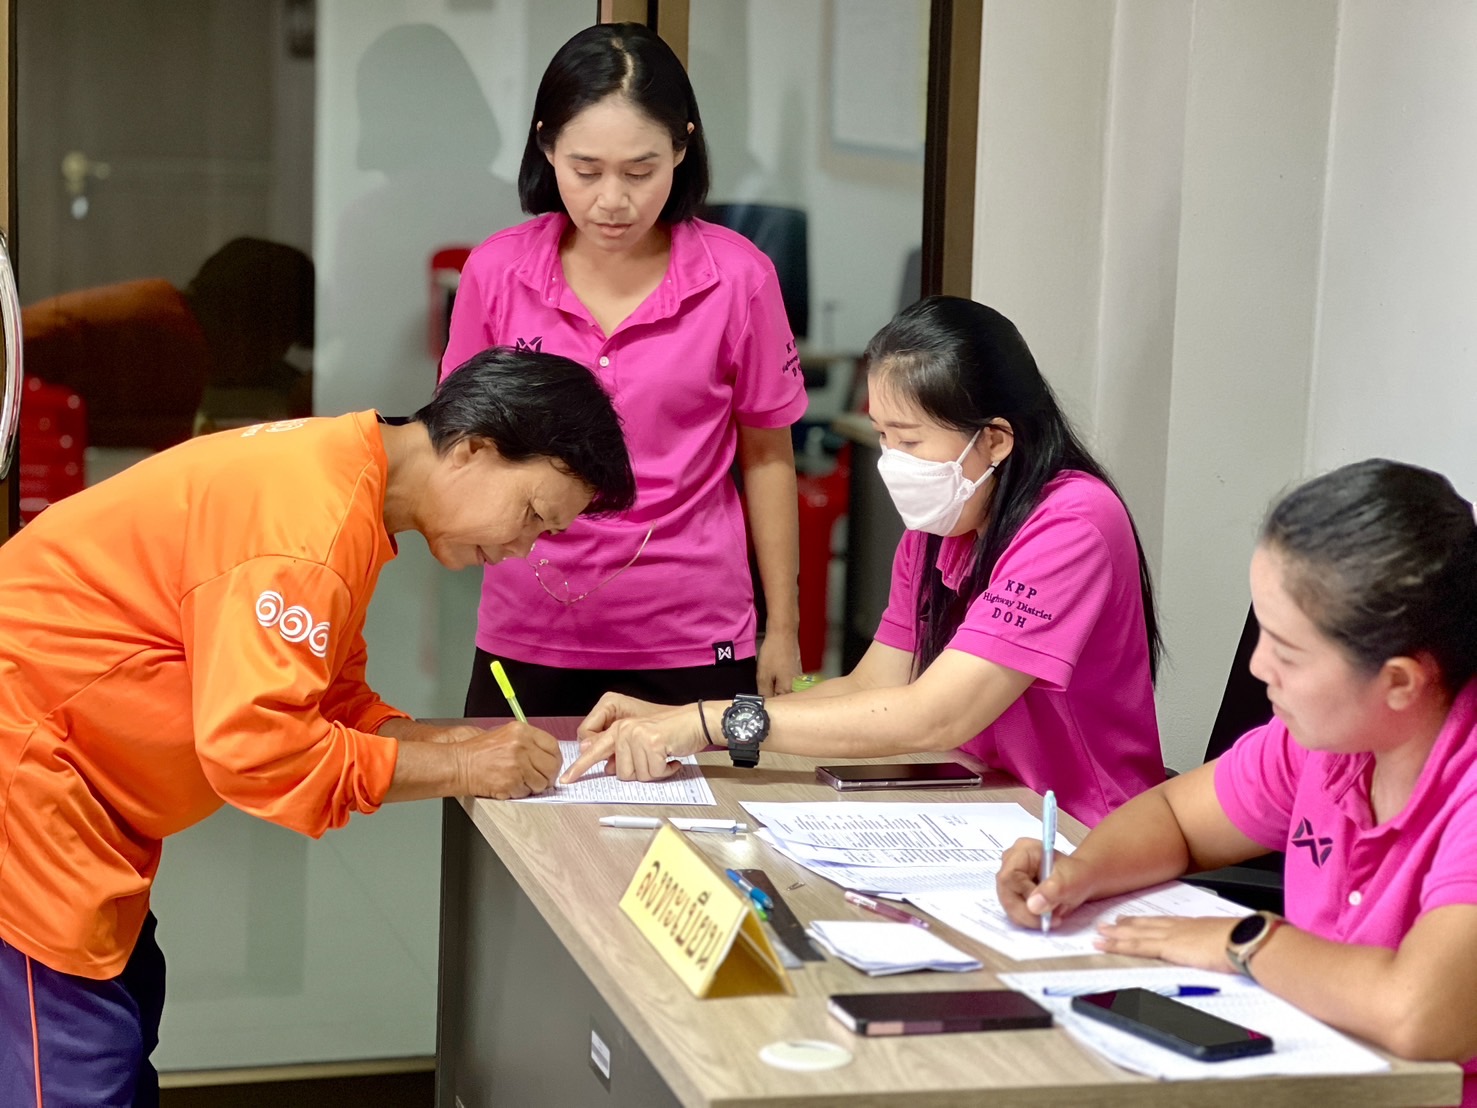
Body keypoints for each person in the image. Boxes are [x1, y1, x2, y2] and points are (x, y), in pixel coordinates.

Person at [0, 347, 635, 1106]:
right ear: (474, 449)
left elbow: (326, 699)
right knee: (76, 1069)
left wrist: (452, 743)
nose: (521, 549)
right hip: (30, 783)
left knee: (125, 1029)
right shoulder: (310, 525)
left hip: (83, 791)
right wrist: (467, 769)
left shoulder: (343, 477)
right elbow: (258, 751)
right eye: (532, 514)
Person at [565, 296, 1165, 827]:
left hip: (1082, 829)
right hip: (987, 807)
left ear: (995, 440)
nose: (891, 461)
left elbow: (935, 717)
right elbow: (872, 685)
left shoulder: (1073, 524)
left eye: (910, 440)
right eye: (882, 436)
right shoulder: (942, 527)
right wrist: (685, 722)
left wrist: (707, 723)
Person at [996, 459, 1477, 1099]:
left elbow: (1422, 1017)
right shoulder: (1328, 744)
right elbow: (1174, 817)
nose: (1258, 666)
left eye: (1287, 651)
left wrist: (1246, 940)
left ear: (1399, 681)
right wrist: (1079, 873)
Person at [441, 22, 808, 718]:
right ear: (547, 146)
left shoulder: (739, 279)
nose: (613, 200)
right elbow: (459, 445)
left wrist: (782, 630)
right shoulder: (496, 272)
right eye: (586, 170)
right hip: (530, 627)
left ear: (682, 148)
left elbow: (767, 456)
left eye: (641, 172)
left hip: (692, 635)